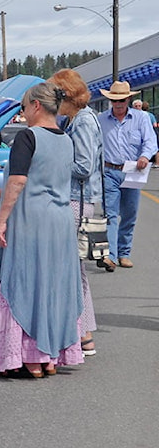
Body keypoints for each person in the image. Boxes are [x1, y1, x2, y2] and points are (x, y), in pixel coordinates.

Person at [0, 82, 84, 378]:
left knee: (24, 282)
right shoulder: (65, 139)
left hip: (32, 222)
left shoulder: (28, 137)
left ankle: (29, 357)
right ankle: (50, 356)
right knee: (53, 286)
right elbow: (46, 176)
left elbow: (20, 180)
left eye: (24, 106)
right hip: (60, 221)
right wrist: (4, 191)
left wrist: (2, 220)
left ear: (36, 106)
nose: (24, 113)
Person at [52, 69, 101, 355]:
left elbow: (83, 166)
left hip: (77, 201)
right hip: (82, 200)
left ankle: (82, 333)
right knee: (77, 269)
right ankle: (84, 333)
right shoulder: (77, 119)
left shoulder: (82, 122)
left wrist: (51, 164)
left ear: (65, 96)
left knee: (73, 269)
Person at [97, 81, 157, 270]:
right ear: (110, 101)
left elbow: (150, 141)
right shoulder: (101, 120)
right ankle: (112, 256)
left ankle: (124, 253)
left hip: (133, 172)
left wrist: (145, 156)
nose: (119, 104)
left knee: (129, 214)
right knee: (111, 215)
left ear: (128, 99)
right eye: (115, 100)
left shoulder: (141, 118)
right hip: (109, 171)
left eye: (122, 100)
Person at [133, 99, 159, 168]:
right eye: (136, 106)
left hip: (148, 133)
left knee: (153, 147)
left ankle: (156, 162)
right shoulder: (130, 116)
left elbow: (154, 125)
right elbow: (155, 124)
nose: (138, 107)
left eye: (139, 106)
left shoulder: (147, 115)